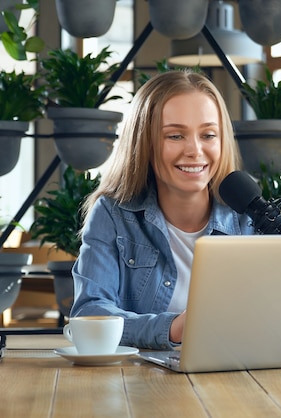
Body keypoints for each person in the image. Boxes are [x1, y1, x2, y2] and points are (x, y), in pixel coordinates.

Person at [71, 70, 256, 349]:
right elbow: (90, 313)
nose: (195, 150)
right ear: (144, 142)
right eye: (175, 136)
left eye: (208, 134)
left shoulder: (249, 217)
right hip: (140, 383)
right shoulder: (113, 214)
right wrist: (172, 329)